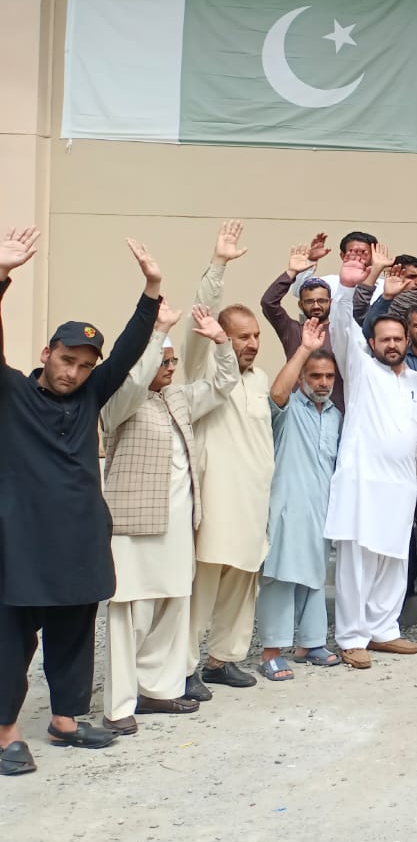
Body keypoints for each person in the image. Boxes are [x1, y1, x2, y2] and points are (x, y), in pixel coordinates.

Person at [0, 229, 161, 773]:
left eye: (84, 365)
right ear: (47, 353)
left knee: (73, 635)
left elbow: (129, 350)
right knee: (10, 642)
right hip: (21, 547)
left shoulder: (92, 394)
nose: (73, 372)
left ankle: (65, 720)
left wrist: (151, 290)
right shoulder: (11, 392)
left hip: (80, 544)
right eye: (66, 359)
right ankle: (5, 732)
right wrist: (2, 276)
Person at [99, 302, 238, 733]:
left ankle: (157, 690)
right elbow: (133, 384)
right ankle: (119, 706)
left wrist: (221, 342)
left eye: (174, 361)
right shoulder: (119, 401)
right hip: (134, 527)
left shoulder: (177, 397)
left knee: (172, 607)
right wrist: (155, 334)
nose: (171, 368)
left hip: (177, 527)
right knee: (131, 615)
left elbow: (223, 383)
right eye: (164, 361)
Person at [323, 258, 417, 670]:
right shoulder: (361, 368)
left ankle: (384, 630)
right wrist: (349, 288)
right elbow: (340, 326)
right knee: (358, 564)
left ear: (406, 341)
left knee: (394, 559)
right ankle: (352, 637)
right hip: (363, 483)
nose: (392, 345)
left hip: (401, 485)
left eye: (397, 338)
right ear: (372, 342)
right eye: (384, 339)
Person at [185, 221, 275, 697]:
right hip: (216, 503)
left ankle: (223, 659)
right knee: (201, 588)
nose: (252, 344)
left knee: (243, 584)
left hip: (253, 503)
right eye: (242, 336)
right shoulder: (204, 371)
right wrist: (218, 264)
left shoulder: (260, 379)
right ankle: (182, 668)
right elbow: (201, 317)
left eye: (255, 336)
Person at [257, 320, 342, 680]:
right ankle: (271, 651)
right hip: (287, 509)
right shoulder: (288, 408)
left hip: (321, 510)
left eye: (328, 376)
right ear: (302, 378)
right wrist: (304, 348)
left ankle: (310, 643)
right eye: (315, 376)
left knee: (314, 576)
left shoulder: (336, 416)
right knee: (281, 577)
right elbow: (277, 392)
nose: (323, 383)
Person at [261, 234, 344, 406]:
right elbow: (269, 303)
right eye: (310, 301)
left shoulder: (341, 332)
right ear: (300, 304)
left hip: (335, 412)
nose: (316, 306)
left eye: (321, 301)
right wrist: (292, 272)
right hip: (297, 411)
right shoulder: (292, 330)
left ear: (331, 302)